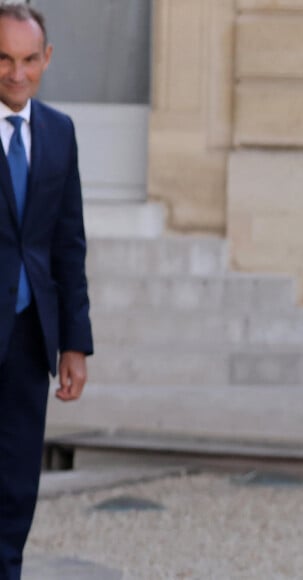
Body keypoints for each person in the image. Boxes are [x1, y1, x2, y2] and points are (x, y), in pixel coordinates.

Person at [0, 4, 93, 579]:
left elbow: (68, 243)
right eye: (4, 58)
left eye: (29, 59)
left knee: (15, 483)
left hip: (31, 338)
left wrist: (75, 343)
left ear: (47, 59)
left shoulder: (59, 132)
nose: (17, 73)